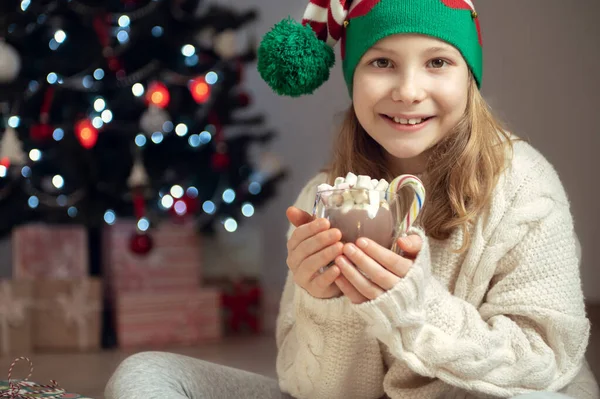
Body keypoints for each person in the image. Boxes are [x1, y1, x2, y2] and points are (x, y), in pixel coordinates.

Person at [104, 0, 599, 398]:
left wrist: (415, 306)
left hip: (494, 392)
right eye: (381, 62)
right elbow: (312, 389)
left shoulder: (523, 185)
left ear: (468, 77)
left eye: (438, 62)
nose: (408, 90)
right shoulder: (323, 198)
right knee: (147, 374)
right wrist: (329, 305)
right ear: (353, 78)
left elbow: (545, 361)